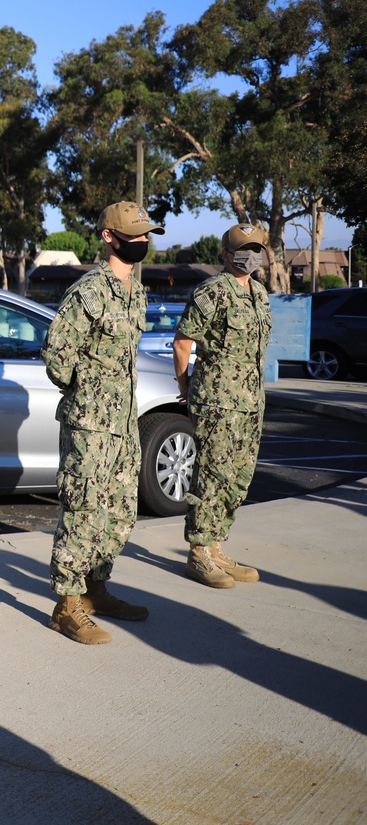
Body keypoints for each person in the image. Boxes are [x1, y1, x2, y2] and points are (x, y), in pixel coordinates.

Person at [40, 202, 164, 645]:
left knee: (118, 512)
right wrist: (89, 392)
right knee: (83, 511)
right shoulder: (89, 292)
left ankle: (96, 589)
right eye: (134, 235)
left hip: (123, 424)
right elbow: (57, 356)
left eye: (146, 234)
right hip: (91, 426)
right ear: (109, 237)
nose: (143, 242)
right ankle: (67, 605)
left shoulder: (136, 290)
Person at [172, 223, 272, 588]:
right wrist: (186, 389)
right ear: (226, 254)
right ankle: (198, 553)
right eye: (243, 248)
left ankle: (215, 547)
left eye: (257, 248)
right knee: (212, 476)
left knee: (237, 479)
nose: (251, 254)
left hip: (250, 403)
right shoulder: (211, 292)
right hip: (217, 403)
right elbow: (183, 343)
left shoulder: (259, 293)